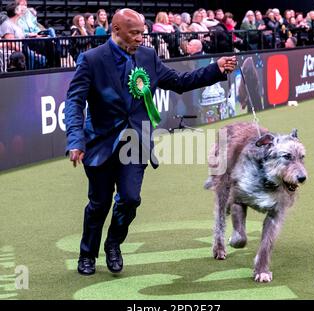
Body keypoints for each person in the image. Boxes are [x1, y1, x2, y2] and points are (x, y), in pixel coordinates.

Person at [65, 8, 237, 276]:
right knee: (99, 204)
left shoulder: (148, 56)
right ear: (116, 30)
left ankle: (113, 244)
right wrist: (76, 140)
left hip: (137, 142)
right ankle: (87, 253)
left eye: (142, 33)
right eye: (134, 33)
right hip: (99, 144)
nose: (140, 39)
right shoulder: (91, 60)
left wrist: (214, 69)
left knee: (130, 199)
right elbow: (74, 101)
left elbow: (179, 82)